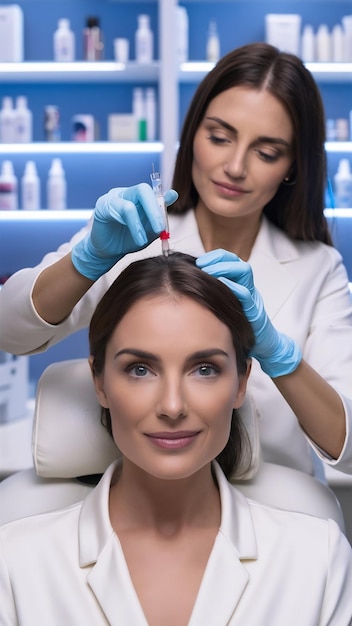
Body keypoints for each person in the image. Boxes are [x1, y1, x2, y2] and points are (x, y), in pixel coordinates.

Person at [0, 43, 352, 480]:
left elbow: (348, 445)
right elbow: (8, 330)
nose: (235, 166)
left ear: (292, 166)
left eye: (266, 152)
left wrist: (281, 357)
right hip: (150, 501)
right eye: (219, 137)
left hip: (274, 513)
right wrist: (88, 259)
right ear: (192, 134)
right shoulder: (136, 235)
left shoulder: (319, 268)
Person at [0, 253, 351, 626]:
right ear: (99, 382)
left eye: (204, 369)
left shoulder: (318, 560)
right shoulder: (15, 563)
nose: (172, 406)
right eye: (140, 369)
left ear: (241, 384)